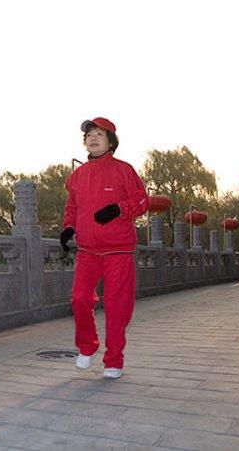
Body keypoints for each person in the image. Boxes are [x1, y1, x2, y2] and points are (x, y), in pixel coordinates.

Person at [60, 117, 149, 379]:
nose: (93, 138)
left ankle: (114, 359)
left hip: (118, 249)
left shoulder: (124, 170)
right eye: (89, 135)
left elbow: (142, 201)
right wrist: (68, 228)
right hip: (87, 250)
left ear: (111, 142)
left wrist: (118, 209)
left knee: (116, 306)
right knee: (79, 298)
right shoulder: (77, 176)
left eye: (99, 134)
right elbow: (72, 207)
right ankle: (88, 346)